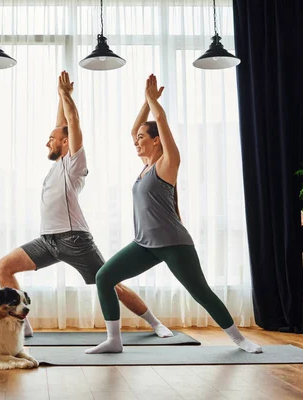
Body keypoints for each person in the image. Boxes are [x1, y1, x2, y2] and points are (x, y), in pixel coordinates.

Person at [85, 74, 263, 354]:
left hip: (174, 243)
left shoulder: (167, 164)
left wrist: (155, 103)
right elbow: (134, 129)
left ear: (157, 142)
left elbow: (162, 126)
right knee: (104, 277)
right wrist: (146, 101)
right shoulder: (145, 166)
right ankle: (114, 340)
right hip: (144, 244)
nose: (136, 141)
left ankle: (240, 340)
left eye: (143, 138)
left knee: (201, 292)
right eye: (137, 138)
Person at [0, 71, 172, 339]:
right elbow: (63, 123)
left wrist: (67, 97)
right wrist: (60, 95)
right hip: (48, 240)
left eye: (52, 139)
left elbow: (72, 122)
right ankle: (23, 328)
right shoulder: (58, 164)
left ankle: (155, 322)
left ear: (66, 143)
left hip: (74, 240)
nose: (48, 142)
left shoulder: (74, 163)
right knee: (4, 267)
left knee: (112, 285)